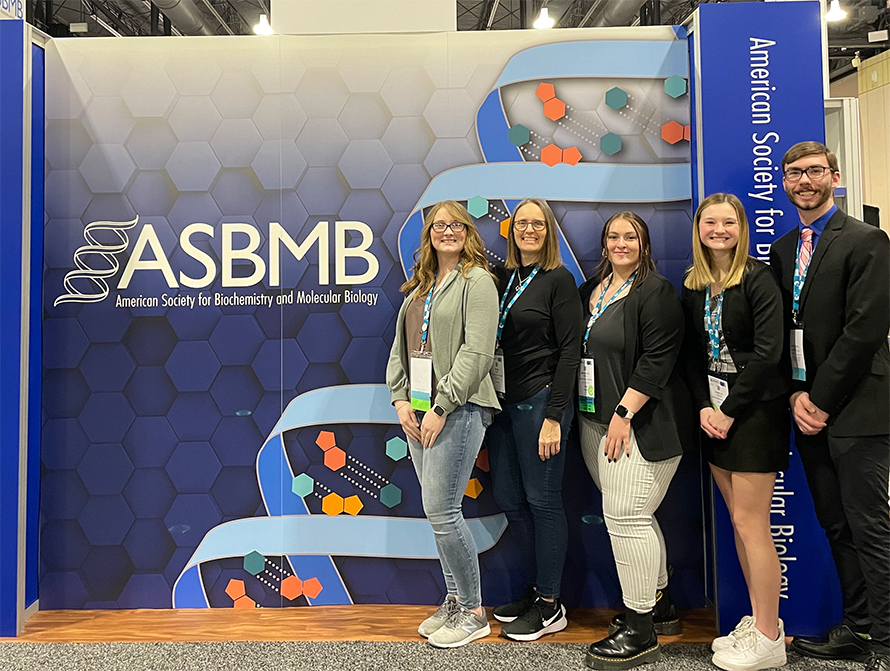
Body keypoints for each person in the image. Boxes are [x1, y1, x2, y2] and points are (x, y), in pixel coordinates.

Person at [769, 141, 890, 671]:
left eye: (814, 171)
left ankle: (886, 641)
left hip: (860, 408)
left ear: (834, 177)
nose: (804, 181)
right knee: (835, 525)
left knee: (870, 527)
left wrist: (817, 399)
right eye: (794, 173)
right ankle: (859, 627)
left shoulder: (867, 241)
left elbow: (864, 331)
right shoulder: (784, 247)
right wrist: (796, 393)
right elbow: (783, 332)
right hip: (807, 409)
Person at [577, 212, 692, 670]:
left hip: (641, 425)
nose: (621, 243)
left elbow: (657, 360)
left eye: (631, 237)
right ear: (604, 244)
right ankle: (659, 606)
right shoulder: (593, 290)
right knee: (633, 517)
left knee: (626, 517)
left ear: (644, 244)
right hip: (594, 424)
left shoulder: (655, 291)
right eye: (613, 236)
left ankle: (641, 629)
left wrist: (624, 412)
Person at [385, 200, 500, 648]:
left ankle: (473, 610)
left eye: (455, 225)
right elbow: (400, 348)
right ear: (428, 234)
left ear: (467, 231)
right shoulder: (421, 286)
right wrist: (401, 400)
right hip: (417, 410)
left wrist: (442, 406)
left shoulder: (479, 282)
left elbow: (478, 353)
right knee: (437, 515)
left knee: (444, 511)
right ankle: (454, 599)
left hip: (460, 409)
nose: (446, 232)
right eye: (438, 226)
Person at [681, 193, 788, 671]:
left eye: (728, 222)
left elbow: (768, 354)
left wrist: (729, 410)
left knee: (753, 526)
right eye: (710, 222)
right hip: (714, 416)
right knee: (740, 528)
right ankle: (760, 621)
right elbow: (691, 357)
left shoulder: (759, 278)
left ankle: (770, 638)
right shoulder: (694, 284)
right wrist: (705, 406)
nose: (719, 230)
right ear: (699, 228)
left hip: (753, 416)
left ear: (741, 228)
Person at [486, 198, 581, 641]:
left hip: (541, 402)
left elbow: (570, 353)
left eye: (537, 224)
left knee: (543, 502)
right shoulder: (504, 277)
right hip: (502, 405)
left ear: (549, 231)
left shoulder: (558, 280)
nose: (528, 230)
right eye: (521, 223)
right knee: (510, 499)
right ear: (511, 230)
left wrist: (555, 417)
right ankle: (535, 588)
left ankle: (551, 605)